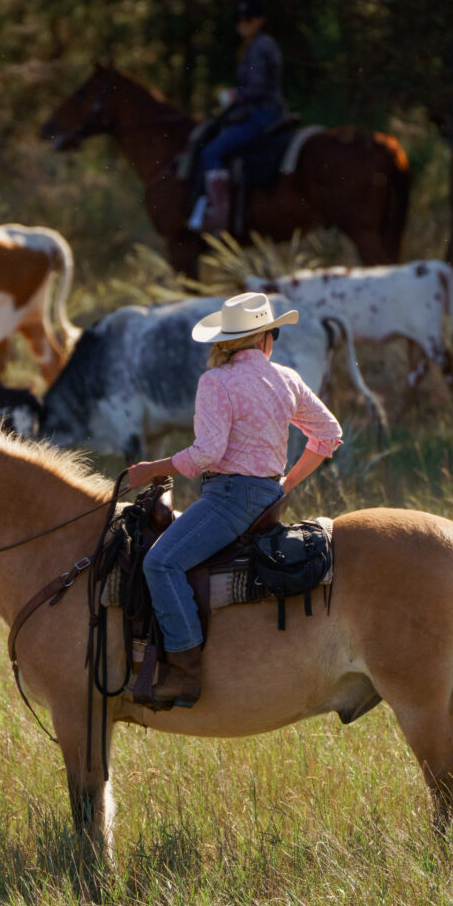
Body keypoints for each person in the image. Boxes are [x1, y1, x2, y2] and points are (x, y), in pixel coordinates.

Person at [125, 292, 342, 710]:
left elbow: (207, 453)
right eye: (274, 333)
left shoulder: (216, 382)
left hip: (229, 498)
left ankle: (186, 673)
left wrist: (152, 469)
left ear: (226, 340)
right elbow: (328, 434)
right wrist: (287, 484)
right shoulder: (287, 379)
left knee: (160, 562)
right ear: (264, 339)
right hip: (267, 500)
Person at [188, 0, 286, 235]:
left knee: (211, 151)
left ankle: (219, 217)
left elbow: (258, 87)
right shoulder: (255, 45)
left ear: (260, 20)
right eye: (239, 20)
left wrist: (235, 96)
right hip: (262, 109)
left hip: (263, 112)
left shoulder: (260, 46)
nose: (243, 24)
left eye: (248, 19)